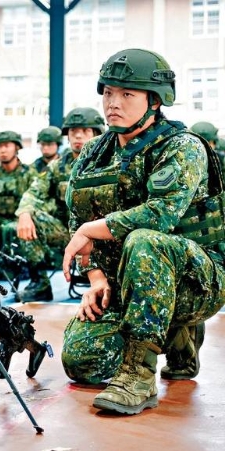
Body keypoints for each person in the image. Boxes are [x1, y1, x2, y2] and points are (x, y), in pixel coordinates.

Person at [62, 49, 225, 415]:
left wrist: (92, 229)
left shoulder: (182, 147)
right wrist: (96, 276)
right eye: (107, 93)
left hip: (197, 280)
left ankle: (138, 376)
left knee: (144, 239)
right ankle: (174, 334)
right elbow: (78, 217)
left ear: (155, 100)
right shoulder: (93, 153)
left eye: (126, 94)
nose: (112, 103)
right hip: (131, 281)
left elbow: (161, 216)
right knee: (82, 360)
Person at [14, 108, 105, 302]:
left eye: (85, 131)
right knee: (29, 219)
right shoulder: (58, 165)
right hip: (67, 232)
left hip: (103, 235)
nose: (78, 135)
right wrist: (24, 213)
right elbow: (33, 192)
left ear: (97, 133)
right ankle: (40, 284)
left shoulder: (110, 162)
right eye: (73, 131)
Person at [0, 131, 36, 268]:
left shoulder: (29, 173)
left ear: (17, 148)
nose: (2, 150)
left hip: (20, 219)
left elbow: (36, 199)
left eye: (7, 145)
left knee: (11, 228)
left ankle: (19, 266)